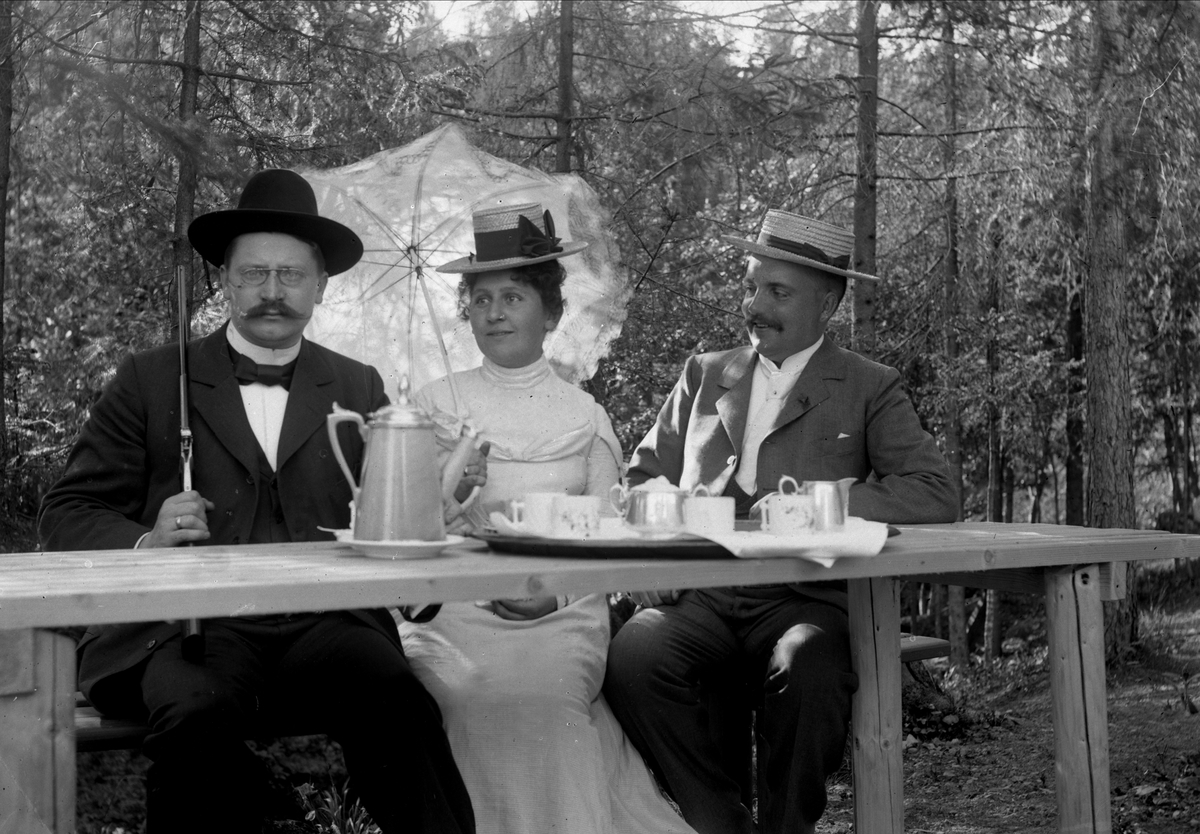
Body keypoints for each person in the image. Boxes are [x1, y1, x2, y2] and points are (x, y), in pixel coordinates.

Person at [38, 169, 476, 834]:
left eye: (292, 275)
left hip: (326, 624)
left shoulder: (358, 384)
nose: (273, 292)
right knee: (195, 717)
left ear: (321, 285)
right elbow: (66, 511)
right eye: (254, 273)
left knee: (397, 700)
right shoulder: (151, 380)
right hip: (191, 628)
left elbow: (399, 519)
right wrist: (146, 542)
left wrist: (434, 501)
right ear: (224, 281)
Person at [603, 209, 959, 834]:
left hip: (805, 599)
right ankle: (720, 822)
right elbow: (637, 480)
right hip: (701, 595)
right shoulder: (705, 374)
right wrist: (658, 542)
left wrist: (824, 503)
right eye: (750, 286)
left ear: (827, 304)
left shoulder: (868, 386)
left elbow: (934, 492)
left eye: (778, 292)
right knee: (633, 653)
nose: (755, 305)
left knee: (810, 665)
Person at [397, 203, 695, 834]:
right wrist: (451, 490)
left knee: (549, 703)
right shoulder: (432, 405)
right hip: (453, 614)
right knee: (467, 700)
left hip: (562, 615)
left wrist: (552, 597)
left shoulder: (584, 416)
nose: (495, 311)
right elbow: (403, 537)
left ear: (551, 312)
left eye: (513, 296)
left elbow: (606, 541)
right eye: (480, 299)